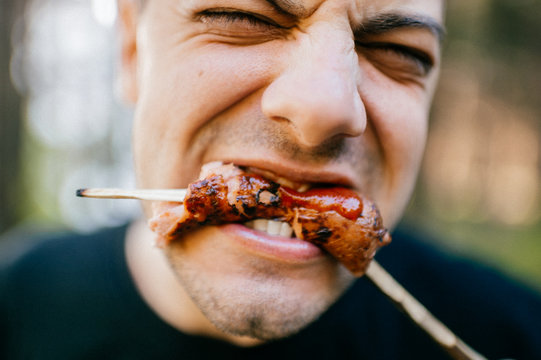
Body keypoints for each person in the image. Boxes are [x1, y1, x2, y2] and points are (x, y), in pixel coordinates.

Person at [1, 0, 540, 359]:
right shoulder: (12, 307)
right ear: (132, 51)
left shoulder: (515, 333)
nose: (325, 107)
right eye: (243, 16)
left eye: (400, 52)